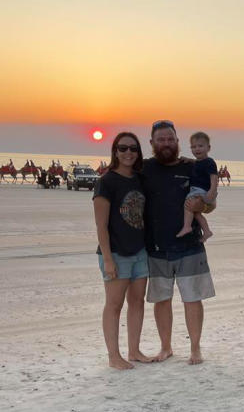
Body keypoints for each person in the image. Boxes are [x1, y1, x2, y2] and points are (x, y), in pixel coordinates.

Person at [143, 120, 214, 365]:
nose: (165, 143)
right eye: (160, 139)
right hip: (156, 247)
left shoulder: (193, 167)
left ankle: (195, 349)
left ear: (177, 142)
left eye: (170, 139)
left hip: (190, 247)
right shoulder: (144, 168)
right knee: (161, 299)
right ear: (151, 143)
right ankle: (166, 347)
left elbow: (211, 204)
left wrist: (202, 205)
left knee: (192, 298)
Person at [93, 132, 153, 370]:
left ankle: (134, 350)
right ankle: (113, 356)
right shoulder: (106, 182)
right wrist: (108, 259)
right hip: (116, 253)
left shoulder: (140, 178)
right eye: (123, 148)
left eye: (133, 149)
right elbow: (101, 225)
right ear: (115, 151)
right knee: (114, 305)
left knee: (137, 302)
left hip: (140, 251)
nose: (128, 153)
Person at [176, 132, 218, 241]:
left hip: (201, 191)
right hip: (198, 190)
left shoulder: (209, 162)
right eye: (193, 147)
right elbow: (197, 163)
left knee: (188, 204)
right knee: (196, 214)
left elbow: (214, 178)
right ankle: (207, 231)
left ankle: (187, 226)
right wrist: (189, 160)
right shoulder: (199, 162)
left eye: (200, 146)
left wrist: (211, 194)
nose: (197, 149)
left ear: (208, 148)